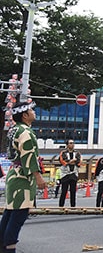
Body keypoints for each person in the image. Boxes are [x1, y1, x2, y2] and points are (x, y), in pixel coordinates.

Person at [0, 100, 46, 253]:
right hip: (22, 178)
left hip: (14, 174)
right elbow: (29, 157)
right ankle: (9, 248)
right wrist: (38, 177)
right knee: (18, 217)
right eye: (32, 111)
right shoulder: (25, 132)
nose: (34, 113)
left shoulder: (14, 129)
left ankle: (2, 245)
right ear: (25, 115)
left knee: (10, 213)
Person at [59, 139, 82, 207]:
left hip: (74, 173)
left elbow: (78, 161)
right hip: (65, 174)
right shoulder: (63, 152)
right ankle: (61, 206)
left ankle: (73, 206)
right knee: (64, 191)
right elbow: (62, 161)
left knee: (73, 191)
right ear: (67, 145)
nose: (72, 144)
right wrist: (71, 161)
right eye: (70, 143)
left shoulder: (77, 153)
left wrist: (72, 161)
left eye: (73, 143)